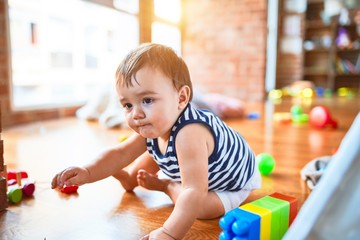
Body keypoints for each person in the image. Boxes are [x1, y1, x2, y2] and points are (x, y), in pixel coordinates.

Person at [51, 43, 261, 239]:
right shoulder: (154, 124)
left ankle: (166, 186)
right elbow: (121, 153)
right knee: (151, 149)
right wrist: (87, 172)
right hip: (192, 167)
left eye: (147, 100)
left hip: (232, 183)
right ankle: (130, 179)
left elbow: (194, 191)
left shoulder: (191, 133)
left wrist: (169, 233)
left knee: (201, 208)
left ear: (181, 98)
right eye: (127, 105)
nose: (136, 114)